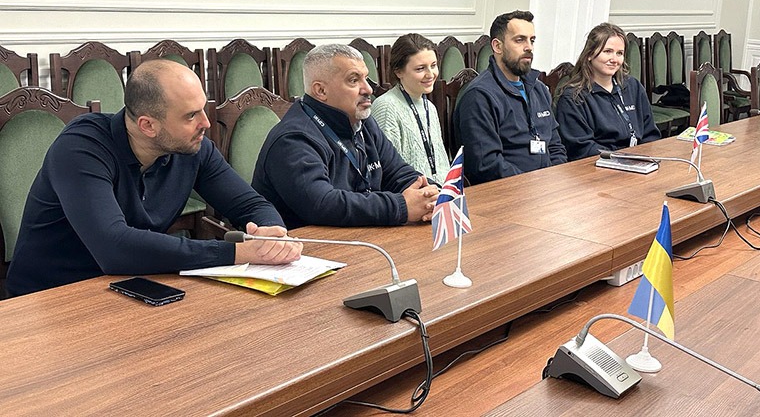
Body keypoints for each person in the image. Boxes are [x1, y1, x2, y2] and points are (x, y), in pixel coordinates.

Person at [6, 60, 302, 297]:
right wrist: (237, 252)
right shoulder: (81, 148)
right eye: (190, 116)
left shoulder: (192, 147)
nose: (206, 123)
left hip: (131, 285)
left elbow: (251, 204)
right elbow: (114, 247)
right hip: (51, 297)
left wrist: (270, 234)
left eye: (203, 108)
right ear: (147, 125)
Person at [251, 44, 440, 229]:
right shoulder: (293, 139)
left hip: (360, 234)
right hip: (310, 244)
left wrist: (432, 196)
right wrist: (400, 206)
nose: (368, 89)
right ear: (321, 91)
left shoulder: (363, 120)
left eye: (366, 78)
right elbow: (323, 204)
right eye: (354, 80)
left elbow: (397, 172)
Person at [453, 10, 566, 185]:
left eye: (532, 40)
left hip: (545, 188)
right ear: (497, 46)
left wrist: (554, 179)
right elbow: (486, 165)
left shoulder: (538, 89)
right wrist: (533, 184)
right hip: (506, 191)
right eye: (520, 40)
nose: (529, 47)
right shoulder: (479, 96)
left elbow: (556, 145)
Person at [556, 22, 660, 161]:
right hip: (598, 165)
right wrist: (622, 159)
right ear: (590, 54)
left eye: (619, 53)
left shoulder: (633, 86)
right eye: (607, 51)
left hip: (638, 160)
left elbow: (650, 134)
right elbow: (581, 148)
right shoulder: (573, 97)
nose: (614, 59)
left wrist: (644, 158)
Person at [371, 34, 450, 183]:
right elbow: (388, 172)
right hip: (413, 193)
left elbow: (441, 164)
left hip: (442, 191)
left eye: (433, 65)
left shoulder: (429, 107)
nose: (430, 74)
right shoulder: (386, 107)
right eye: (420, 68)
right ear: (398, 71)